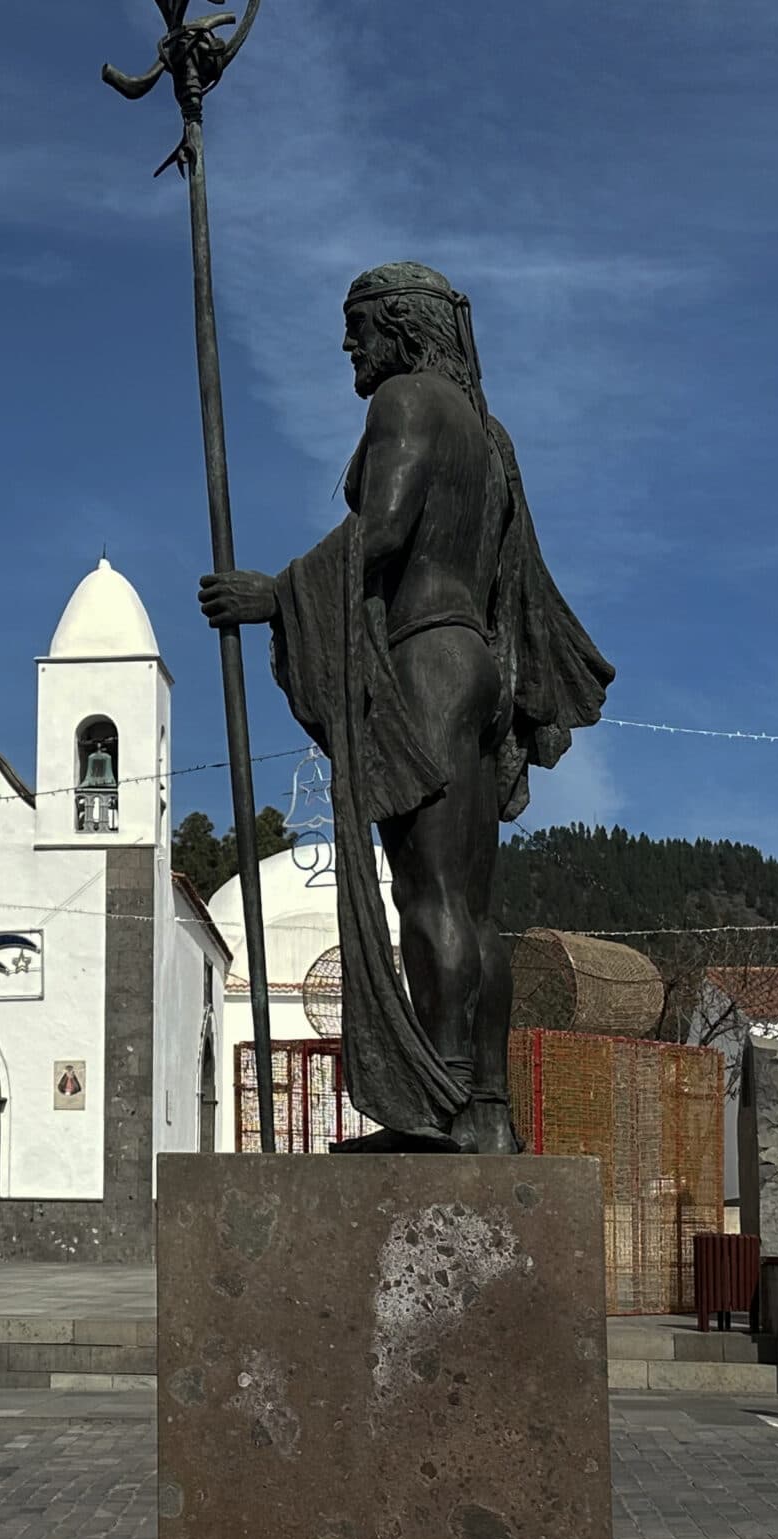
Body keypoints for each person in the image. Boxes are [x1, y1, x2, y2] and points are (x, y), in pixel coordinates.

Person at [200, 262, 612, 1152]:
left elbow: (383, 530)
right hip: (474, 663)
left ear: (398, 326)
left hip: (423, 655)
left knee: (426, 895)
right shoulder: (488, 434)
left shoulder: (404, 403)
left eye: (357, 326)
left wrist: (275, 594)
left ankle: (438, 1103)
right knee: (468, 904)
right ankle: (487, 1115)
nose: (347, 345)